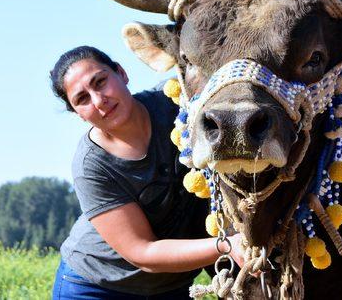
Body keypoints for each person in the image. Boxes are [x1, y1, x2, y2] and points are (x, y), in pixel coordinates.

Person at [49, 46, 243, 299]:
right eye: (82, 99)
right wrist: (229, 245)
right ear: (79, 114)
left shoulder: (177, 103)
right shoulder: (91, 166)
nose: (99, 100)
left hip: (170, 287)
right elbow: (142, 252)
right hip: (96, 287)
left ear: (122, 73)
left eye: (100, 82)